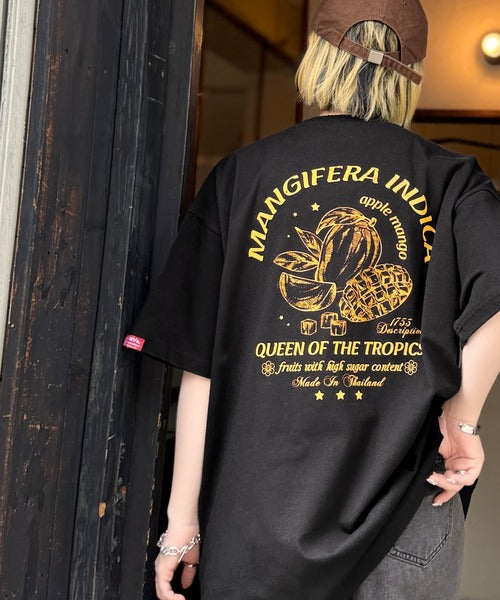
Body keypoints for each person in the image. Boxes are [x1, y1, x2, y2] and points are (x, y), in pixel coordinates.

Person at [123, 0, 500, 598]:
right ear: (413, 75)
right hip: (405, 522)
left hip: (260, 526)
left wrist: (181, 522)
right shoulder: (454, 180)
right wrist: (462, 418)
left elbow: (201, 367)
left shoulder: (243, 176)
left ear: (316, 56)